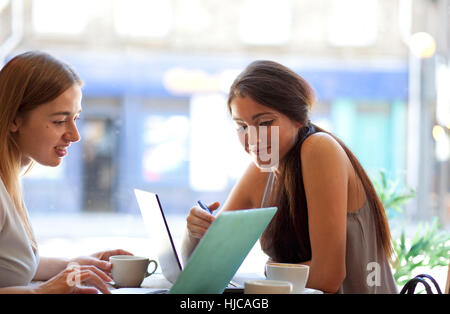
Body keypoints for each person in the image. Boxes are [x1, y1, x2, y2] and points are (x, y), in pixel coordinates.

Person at [181, 60, 398, 294]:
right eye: (242, 126)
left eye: (264, 123)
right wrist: (194, 232)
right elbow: (204, 267)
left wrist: (269, 271)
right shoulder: (262, 171)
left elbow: (327, 278)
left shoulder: (318, 149)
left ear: (297, 118)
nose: (252, 139)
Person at [0, 51, 131, 294]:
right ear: (14, 120)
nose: (75, 135)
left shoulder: (9, 180)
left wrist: (74, 266)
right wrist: (42, 292)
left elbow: (11, 266)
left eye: (76, 119)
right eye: (60, 121)